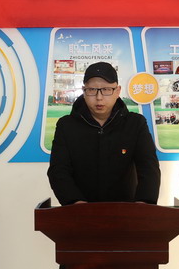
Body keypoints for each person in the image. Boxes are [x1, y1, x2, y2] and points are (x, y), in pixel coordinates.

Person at [47, 61, 160, 205]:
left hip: (126, 211)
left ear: (117, 91)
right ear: (84, 91)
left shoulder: (135, 124)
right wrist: (75, 203)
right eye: (92, 90)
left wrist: (144, 204)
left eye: (106, 89)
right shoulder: (66, 125)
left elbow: (149, 168)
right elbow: (58, 170)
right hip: (79, 211)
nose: (99, 97)